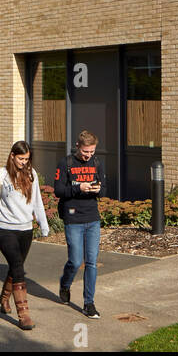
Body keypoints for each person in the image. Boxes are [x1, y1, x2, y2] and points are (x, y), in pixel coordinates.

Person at [0, 140, 50, 330]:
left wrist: (43, 225)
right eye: (21, 159)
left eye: (27, 159)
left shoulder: (32, 174)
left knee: (15, 268)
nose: (24, 162)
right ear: (12, 156)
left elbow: (37, 202)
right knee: (18, 267)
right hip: (5, 230)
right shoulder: (0, 175)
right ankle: (24, 314)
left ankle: (4, 298)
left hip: (26, 230)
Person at [54, 130, 105, 319]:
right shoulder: (66, 163)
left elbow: (104, 187)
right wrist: (78, 187)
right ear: (77, 146)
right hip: (73, 218)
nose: (89, 156)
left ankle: (88, 303)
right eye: (86, 152)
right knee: (75, 261)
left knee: (91, 262)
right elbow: (58, 190)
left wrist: (98, 189)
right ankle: (65, 284)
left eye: (92, 152)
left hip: (92, 218)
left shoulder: (97, 163)